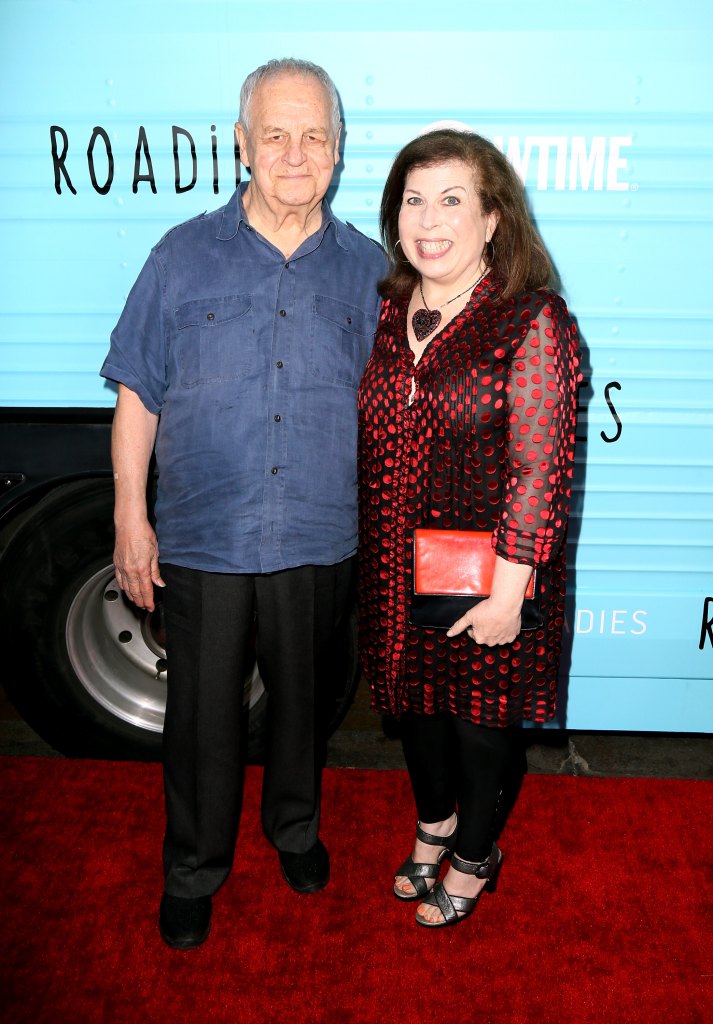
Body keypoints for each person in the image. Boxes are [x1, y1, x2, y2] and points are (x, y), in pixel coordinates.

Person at [101, 58, 385, 949]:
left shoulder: (372, 273)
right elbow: (138, 390)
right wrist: (128, 515)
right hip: (204, 532)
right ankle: (193, 867)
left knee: (306, 705)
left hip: (318, 534)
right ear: (240, 144)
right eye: (275, 134)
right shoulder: (180, 256)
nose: (294, 154)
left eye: (314, 137)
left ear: (337, 152)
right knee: (202, 716)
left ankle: (294, 828)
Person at [357, 129, 581, 928]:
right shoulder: (387, 308)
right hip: (393, 560)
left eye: (452, 200)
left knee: (478, 719)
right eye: (413, 200)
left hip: (486, 566)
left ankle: (477, 853)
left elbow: (538, 468)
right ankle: (434, 825)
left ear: (492, 219)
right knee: (414, 704)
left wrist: (509, 593)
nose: (429, 219)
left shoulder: (529, 320)